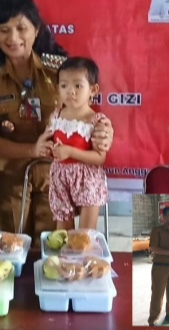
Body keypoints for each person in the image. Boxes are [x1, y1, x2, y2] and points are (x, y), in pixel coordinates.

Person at [0, 0, 114, 245]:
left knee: (54, 246)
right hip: (10, 178)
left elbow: (86, 113)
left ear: (36, 30)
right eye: (4, 30)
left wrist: (105, 130)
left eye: (21, 28)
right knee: (15, 247)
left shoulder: (59, 70)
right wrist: (32, 149)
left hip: (55, 176)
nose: (13, 38)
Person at [47, 57, 110, 230]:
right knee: (63, 235)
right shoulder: (56, 116)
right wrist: (47, 148)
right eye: (64, 86)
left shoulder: (96, 121)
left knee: (85, 236)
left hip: (87, 182)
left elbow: (99, 158)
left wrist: (70, 152)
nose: (70, 91)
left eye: (77, 86)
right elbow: (48, 142)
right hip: (60, 179)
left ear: (93, 90)